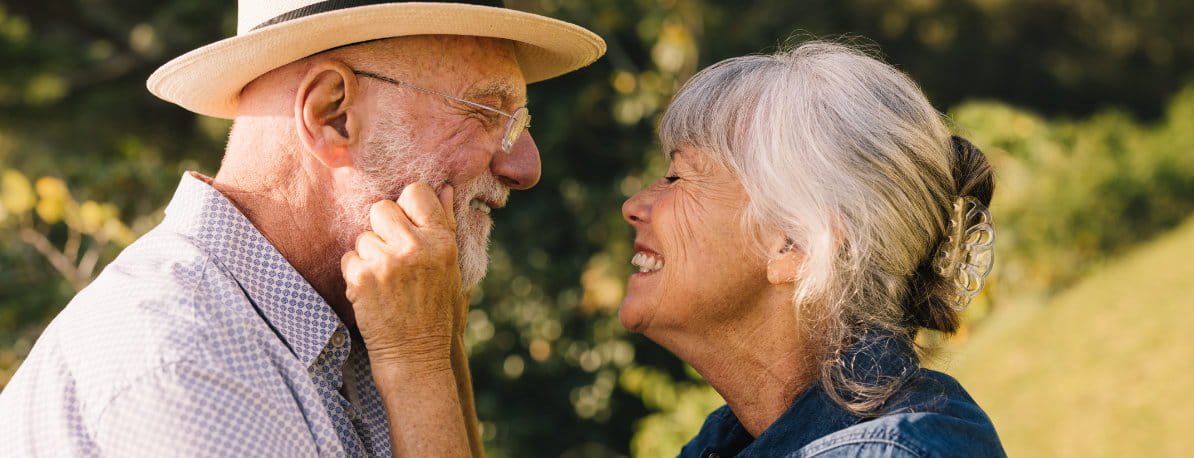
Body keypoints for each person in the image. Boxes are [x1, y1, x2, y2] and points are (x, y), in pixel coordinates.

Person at [0, 0, 604, 456]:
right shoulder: (188, 365)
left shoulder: (361, 321)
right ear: (331, 114)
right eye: (486, 113)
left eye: (519, 120)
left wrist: (433, 356)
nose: (526, 165)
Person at [353, 40, 1008, 456]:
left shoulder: (889, 452)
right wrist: (438, 344)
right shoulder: (730, 443)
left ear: (796, 244)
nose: (636, 204)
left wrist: (414, 364)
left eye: (677, 177)